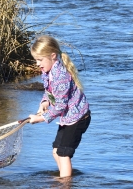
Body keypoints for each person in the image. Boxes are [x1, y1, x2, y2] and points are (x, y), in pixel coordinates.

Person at [28, 35, 91, 178]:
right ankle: (64, 178)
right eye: (36, 60)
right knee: (56, 151)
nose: (37, 64)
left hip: (78, 118)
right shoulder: (48, 71)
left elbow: (60, 106)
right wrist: (45, 102)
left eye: (40, 60)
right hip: (69, 118)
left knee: (63, 154)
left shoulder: (61, 76)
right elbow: (49, 91)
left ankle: (65, 183)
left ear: (53, 56)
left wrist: (40, 119)